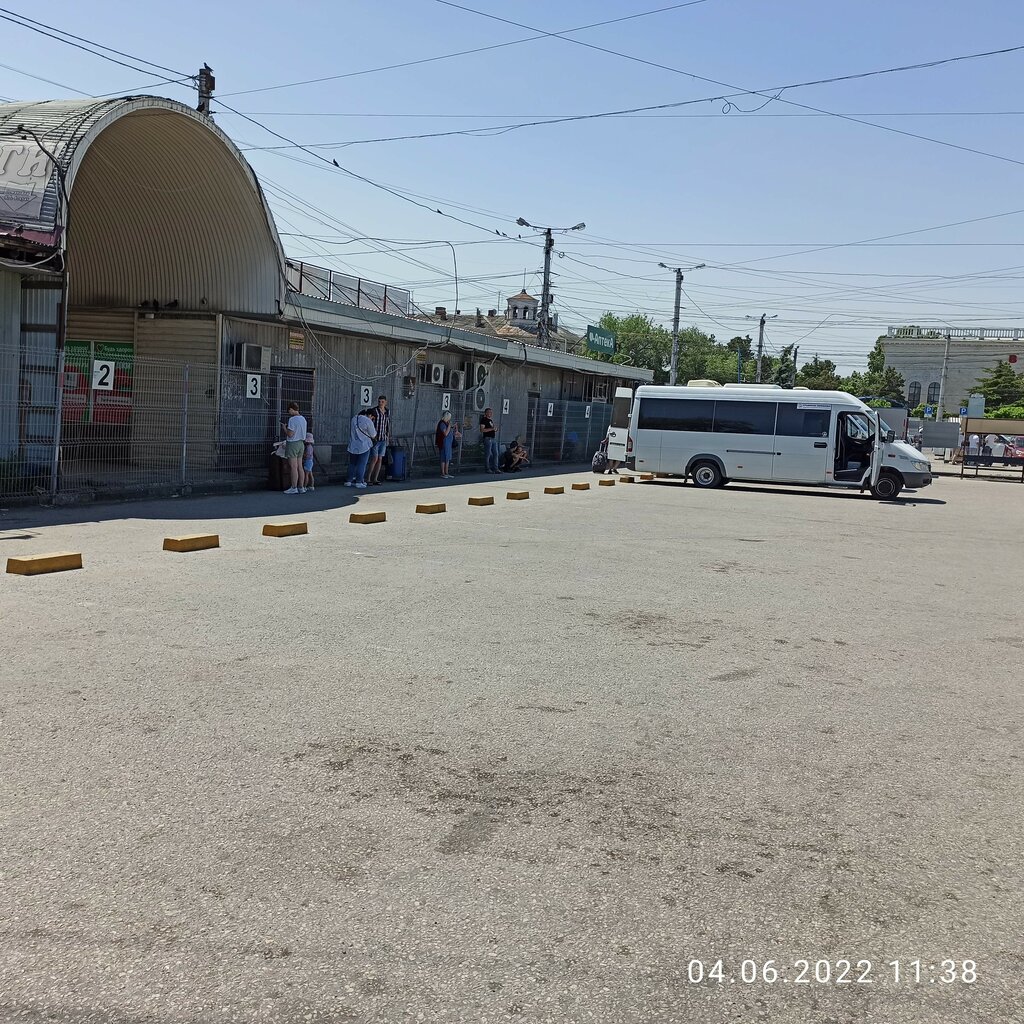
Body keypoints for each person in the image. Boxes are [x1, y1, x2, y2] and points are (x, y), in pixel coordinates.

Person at [345, 407, 377, 489]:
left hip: (353, 444)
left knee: (352, 463)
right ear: (370, 415)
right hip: (364, 446)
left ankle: (349, 480)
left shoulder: (354, 418)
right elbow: (373, 434)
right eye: (373, 417)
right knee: (362, 464)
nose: (372, 419)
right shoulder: (368, 421)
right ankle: (359, 481)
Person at [366, 395, 391, 486]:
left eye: (382, 402)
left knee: (380, 458)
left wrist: (388, 436)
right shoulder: (374, 411)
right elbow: (370, 422)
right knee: (374, 458)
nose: (380, 403)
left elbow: (387, 424)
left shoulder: (387, 411)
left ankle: (375, 478)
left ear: (385, 402)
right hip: (376, 438)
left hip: (383, 438)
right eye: (379, 401)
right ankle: (368, 478)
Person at [282, 402, 307, 494]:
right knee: (300, 466)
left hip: (293, 443)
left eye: (289, 411)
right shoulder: (303, 419)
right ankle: (301, 487)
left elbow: (290, 434)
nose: (289, 413)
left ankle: (294, 487)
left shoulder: (292, 420)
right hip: (301, 443)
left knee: (293, 467)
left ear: (292, 409)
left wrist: (284, 428)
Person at [435, 410, 461, 478]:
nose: (450, 419)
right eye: (449, 417)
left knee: (448, 458)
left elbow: (450, 433)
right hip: (444, 443)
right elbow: (445, 433)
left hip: (449, 443)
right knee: (443, 457)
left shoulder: (447, 424)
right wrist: (449, 426)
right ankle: (443, 473)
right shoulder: (442, 424)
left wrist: (456, 432)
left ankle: (447, 472)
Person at [480, 407, 499, 473]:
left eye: (491, 412)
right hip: (488, 438)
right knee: (487, 454)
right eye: (489, 412)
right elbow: (482, 430)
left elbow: (493, 428)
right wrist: (492, 429)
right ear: (486, 413)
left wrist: (495, 429)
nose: (490, 413)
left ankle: (496, 468)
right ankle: (487, 468)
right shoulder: (483, 420)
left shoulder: (490, 420)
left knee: (496, 453)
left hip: (493, 438)